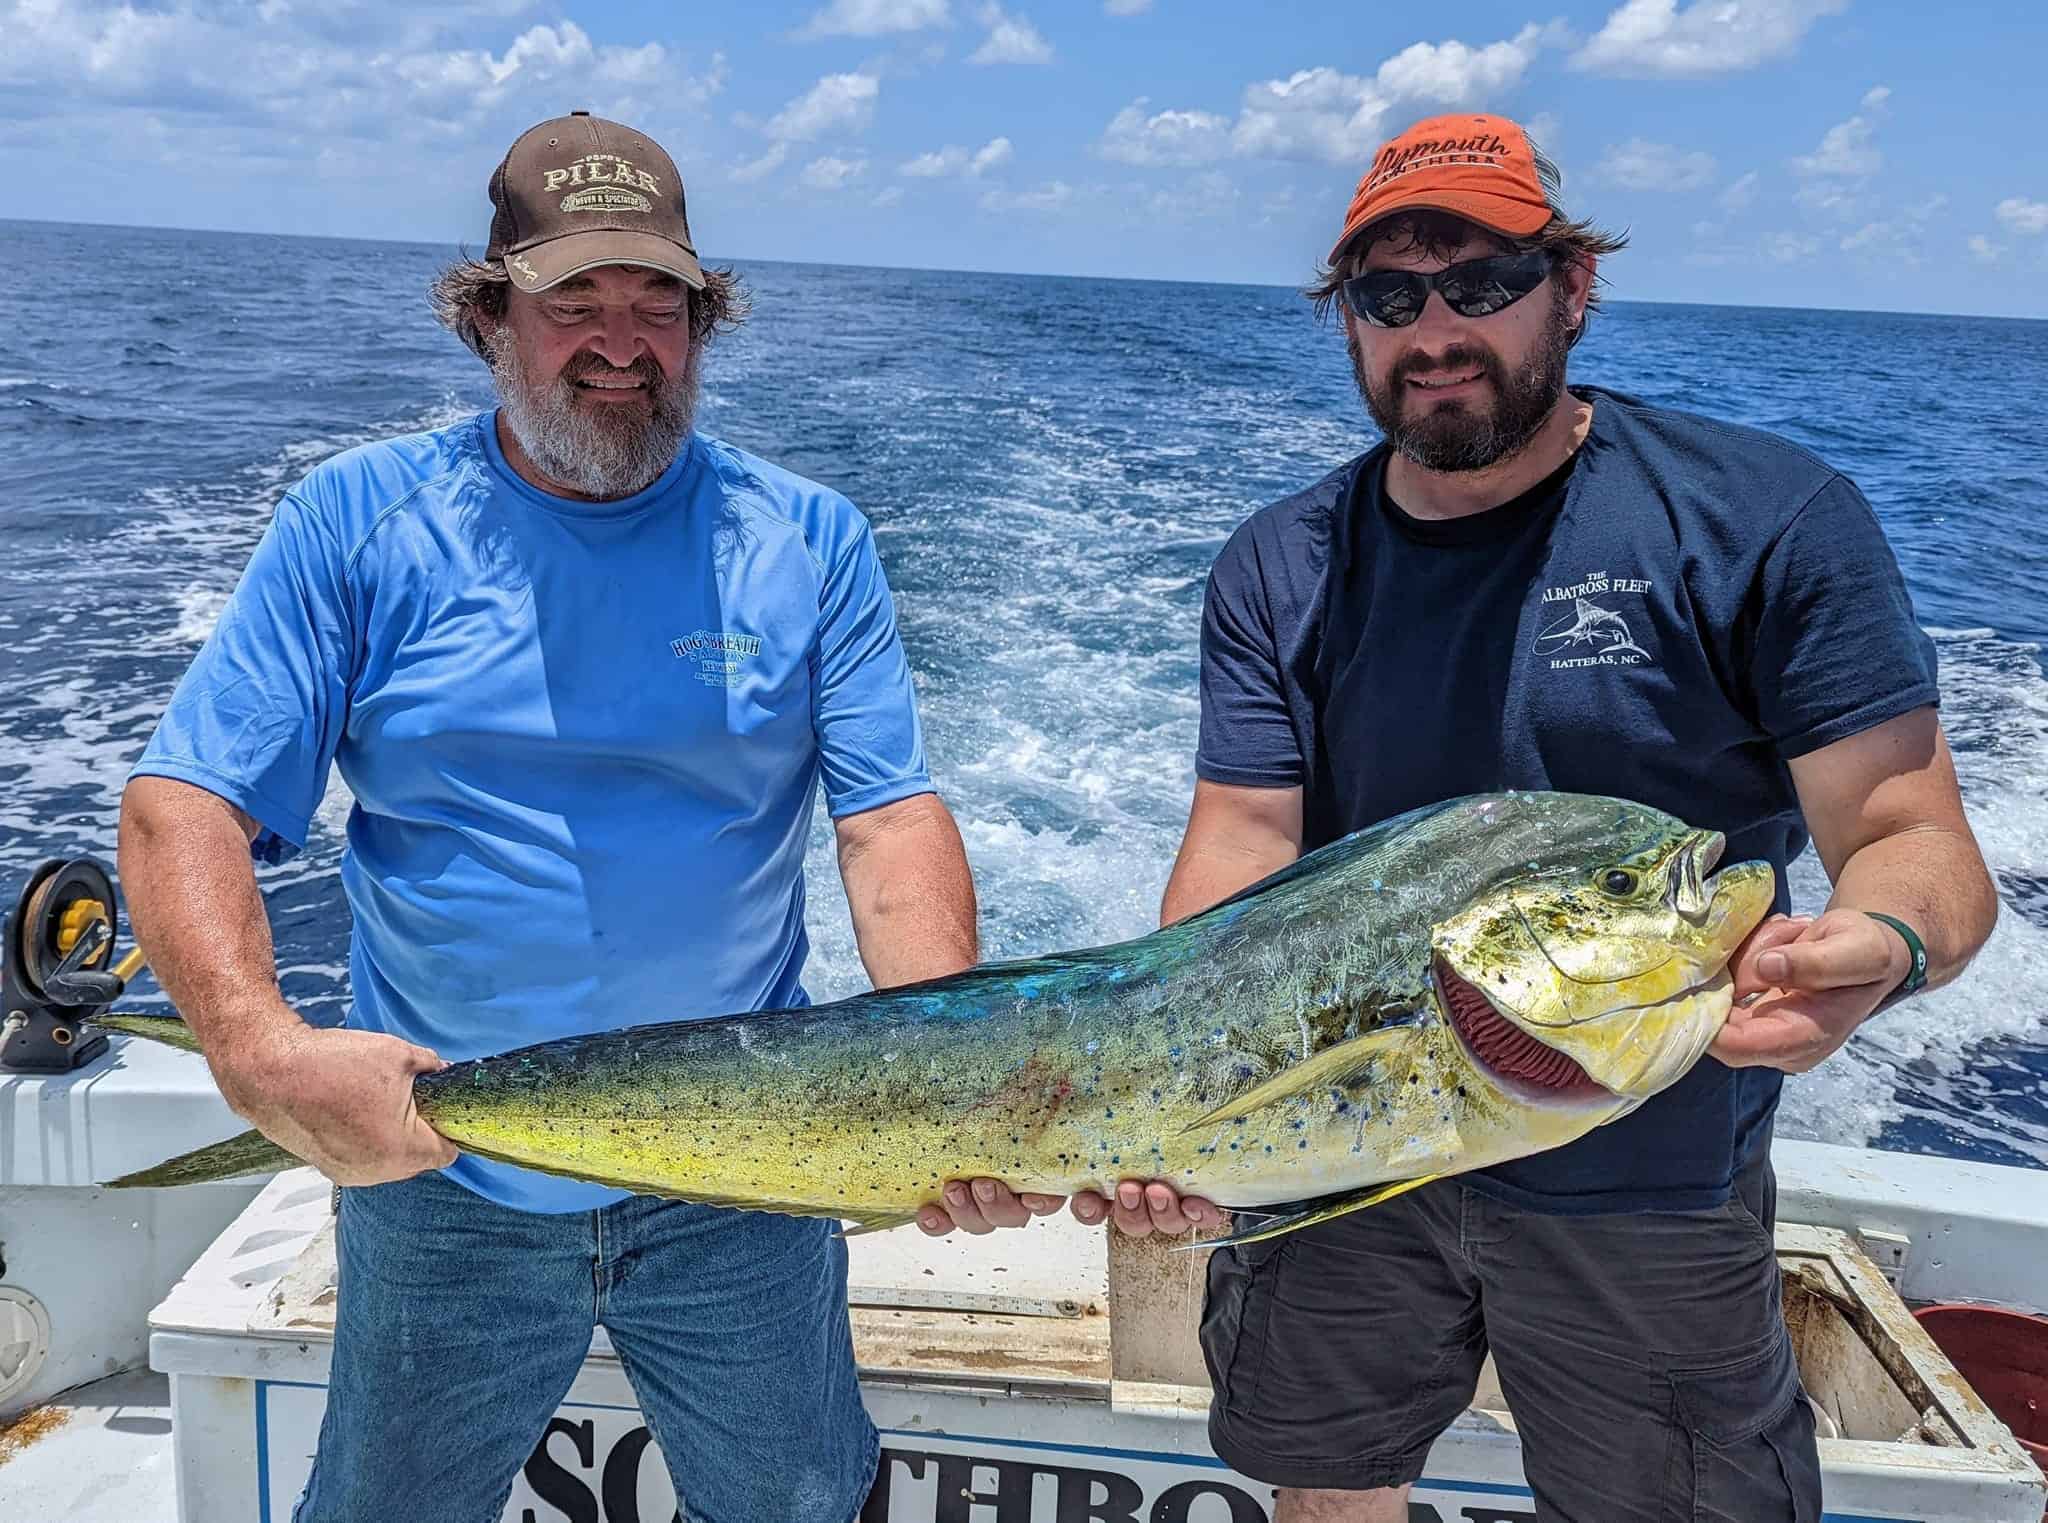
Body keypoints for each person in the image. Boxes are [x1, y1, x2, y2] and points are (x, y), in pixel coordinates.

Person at [1075, 113, 1999, 1521]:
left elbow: (1912, 836)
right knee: (1325, 1483)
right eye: (1390, 296)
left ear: (1571, 288)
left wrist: (1883, 942)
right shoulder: (1279, 562)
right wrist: (1181, 1107)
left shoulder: (1764, 518)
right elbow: (1245, 848)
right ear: (1349, 324)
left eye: (1483, 280)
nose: (1436, 327)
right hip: (1342, 1151)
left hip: (1646, 1170)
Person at [119, 112, 992, 1523]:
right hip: (442, 1169)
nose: (621, 338)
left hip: (746, 1168)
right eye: (572, 299)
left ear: (704, 326)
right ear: (488, 317)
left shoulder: (809, 537)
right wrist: (257, 1050)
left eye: (660, 302)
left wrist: (965, 1072)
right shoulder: (356, 522)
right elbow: (187, 799)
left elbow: (887, 825)